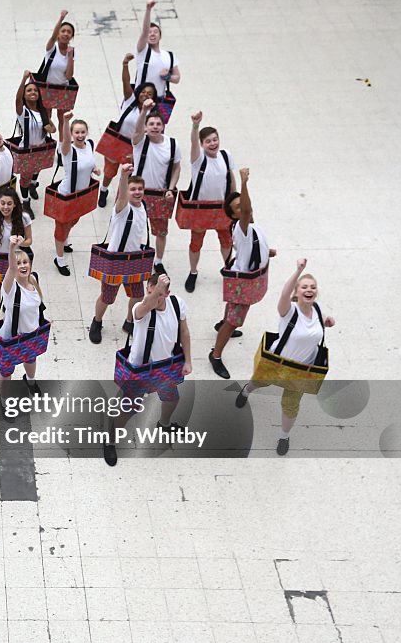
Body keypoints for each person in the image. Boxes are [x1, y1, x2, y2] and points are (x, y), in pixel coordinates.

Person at [235, 259, 335, 455]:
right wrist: (298, 270)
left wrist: (327, 321)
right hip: (277, 362)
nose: (309, 290)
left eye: (313, 287)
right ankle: (247, 390)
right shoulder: (288, 310)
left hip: (302, 368)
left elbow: (316, 324)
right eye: (304, 287)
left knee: (290, 404)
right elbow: (283, 294)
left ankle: (284, 436)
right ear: (296, 292)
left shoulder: (317, 309)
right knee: (259, 383)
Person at [104, 273, 192, 466]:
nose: (152, 298)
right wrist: (155, 292)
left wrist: (188, 361)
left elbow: (184, 332)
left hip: (165, 367)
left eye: (159, 294)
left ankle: (164, 424)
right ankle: (110, 440)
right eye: (149, 293)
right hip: (140, 370)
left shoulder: (177, 304)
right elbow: (147, 305)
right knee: (129, 409)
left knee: (172, 399)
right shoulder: (141, 310)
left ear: (167, 294)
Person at [210, 168, 275, 379]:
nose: (245, 208)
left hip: (244, 276)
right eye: (238, 207)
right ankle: (216, 355)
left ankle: (222, 323)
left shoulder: (252, 226)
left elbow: (253, 242)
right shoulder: (241, 226)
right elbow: (247, 212)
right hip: (244, 285)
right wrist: (244, 182)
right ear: (234, 215)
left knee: (230, 315)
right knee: (234, 322)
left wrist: (267, 252)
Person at [89, 164, 159, 344]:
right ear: (126, 192)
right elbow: (120, 197)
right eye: (133, 189)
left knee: (136, 295)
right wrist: (123, 176)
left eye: (140, 189)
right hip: (116, 260)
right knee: (107, 297)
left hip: (134, 260)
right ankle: (97, 321)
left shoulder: (142, 205)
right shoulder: (122, 209)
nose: (137, 192)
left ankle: (129, 321)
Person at [184, 110, 237, 292]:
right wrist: (195, 125)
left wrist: (235, 202)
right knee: (196, 242)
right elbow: (192, 141)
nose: (213, 143)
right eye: (208, 141)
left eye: (215, 139)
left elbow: (231, 178)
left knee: (226, 241)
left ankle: (229, 269)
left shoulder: (225, 155)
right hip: (201, 209)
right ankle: (193, 272)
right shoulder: (198, 158)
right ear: (202, 144)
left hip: (222, 207)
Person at [97, 54, 157, 208]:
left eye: (149, 94)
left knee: (128, 174)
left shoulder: (152, 113)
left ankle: (121, 199)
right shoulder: (129, 100)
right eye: (143, 92)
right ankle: (103, 190)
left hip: (133, 147)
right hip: (118, 140)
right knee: (110, 171)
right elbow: (125, 82)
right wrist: (125, 64)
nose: (145, 95)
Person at [130, 99, 180, 273]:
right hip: (139, 193)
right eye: (151, 124)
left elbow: (176, 167)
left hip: (161, 194)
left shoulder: (172, 144)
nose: (155, 126)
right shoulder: (140, 141)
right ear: (145, 127)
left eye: (158, 123)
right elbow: (136, 131)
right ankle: (133, 256)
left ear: (163, 126)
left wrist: (171, 188)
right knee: (134, 226)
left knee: (161, 231)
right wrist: (144, 111)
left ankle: (158, 261)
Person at [51, 112, 100, 275]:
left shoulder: (90, 145)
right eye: (76, 132)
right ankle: (60, 258)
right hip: (66, 195)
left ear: (87, 132)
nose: (80, 135)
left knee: (73, 221)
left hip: (82, 195)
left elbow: (88, 162)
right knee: (61, 227)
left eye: (82, 132)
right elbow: (64, 139)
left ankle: (64, 240)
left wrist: (94, 168)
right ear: (71, 134)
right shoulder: (68, 150)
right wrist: (65, 121)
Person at [0, 236, 45, 384]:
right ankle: (3, 398)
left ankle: (30, 381)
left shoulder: (33, 280)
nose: (22, 266)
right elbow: (11, 268)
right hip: (11, 337)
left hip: (31, 335)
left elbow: (36, 306)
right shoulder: (10, 288)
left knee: (30, 360)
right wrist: (11, 248)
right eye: (18, 263)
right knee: (6, 370)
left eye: (25, 262)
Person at [0, 183, 32, 323]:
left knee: (13, 299)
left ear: (15, 204)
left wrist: (20, 242)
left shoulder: (24, 218)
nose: (6, 207)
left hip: (14, 264)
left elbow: (29, 240)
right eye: (2, 203)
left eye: (9, 203)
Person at [12, 71, 55, 214]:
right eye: (29, 90)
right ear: (24, 95)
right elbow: (17, 99)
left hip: (41, 148)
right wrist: (24, 78)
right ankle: (25, 202)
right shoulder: (23, 111)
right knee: (25, 177)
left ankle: (33, 184)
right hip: (27, 149)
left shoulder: (43, 111)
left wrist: (51, 128)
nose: (33, 92)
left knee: (37, 169)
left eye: (35, 90)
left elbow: (52, 126)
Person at [134, 0, 180, 100]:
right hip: (141, 100)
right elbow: (144, 31)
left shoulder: (169, 55)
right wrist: (148, 10)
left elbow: (177, 78)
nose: (152, 34)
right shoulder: (143, 51)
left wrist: (167, 77)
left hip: (159, 100)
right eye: (149, 32)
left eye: (155, 32)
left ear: (160, 36)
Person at [38, 10, 76, 122]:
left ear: (72, 36)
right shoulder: (52, 48)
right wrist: (61, 18)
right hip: (48, 87)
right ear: (58, 33)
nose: (65, 34)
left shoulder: (71, 51)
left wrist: (70, 57)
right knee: (47, 117)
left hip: (63, 88)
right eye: (63, 31)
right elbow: (53, 37)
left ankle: (62, 140)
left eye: (69, 32)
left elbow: (69, 76)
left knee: (62, 118)